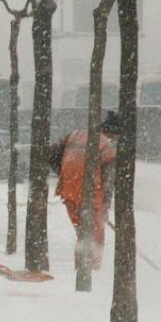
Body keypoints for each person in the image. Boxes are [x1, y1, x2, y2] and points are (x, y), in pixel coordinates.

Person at [49, 110, 118, 270]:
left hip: (69, 192)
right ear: (113, 132)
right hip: (92, 195)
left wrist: (66, 174)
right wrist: (105, 208)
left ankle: (81, 269)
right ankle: (91, 272)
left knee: (82, 233)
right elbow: (108, 182)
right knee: (96, 238)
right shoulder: (108, 146)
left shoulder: (75, 135)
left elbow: (52, 154)